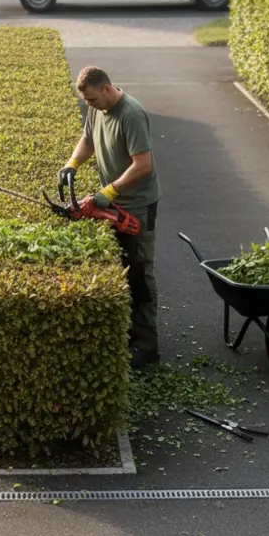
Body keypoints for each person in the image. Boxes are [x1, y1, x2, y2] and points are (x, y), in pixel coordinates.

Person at [60, 66, 161, 368]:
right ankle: (129, 335)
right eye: (86, 102)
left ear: (106, 88)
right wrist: (72, 164)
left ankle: (147, 345)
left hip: (138, 205)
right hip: (115, 202)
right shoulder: (97, 108)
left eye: (92, 99)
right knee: (123, 268)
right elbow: (88, 140)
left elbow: (143, 166)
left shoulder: (131, 114)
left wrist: (110, 193)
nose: (89, 105)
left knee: (140, 274)